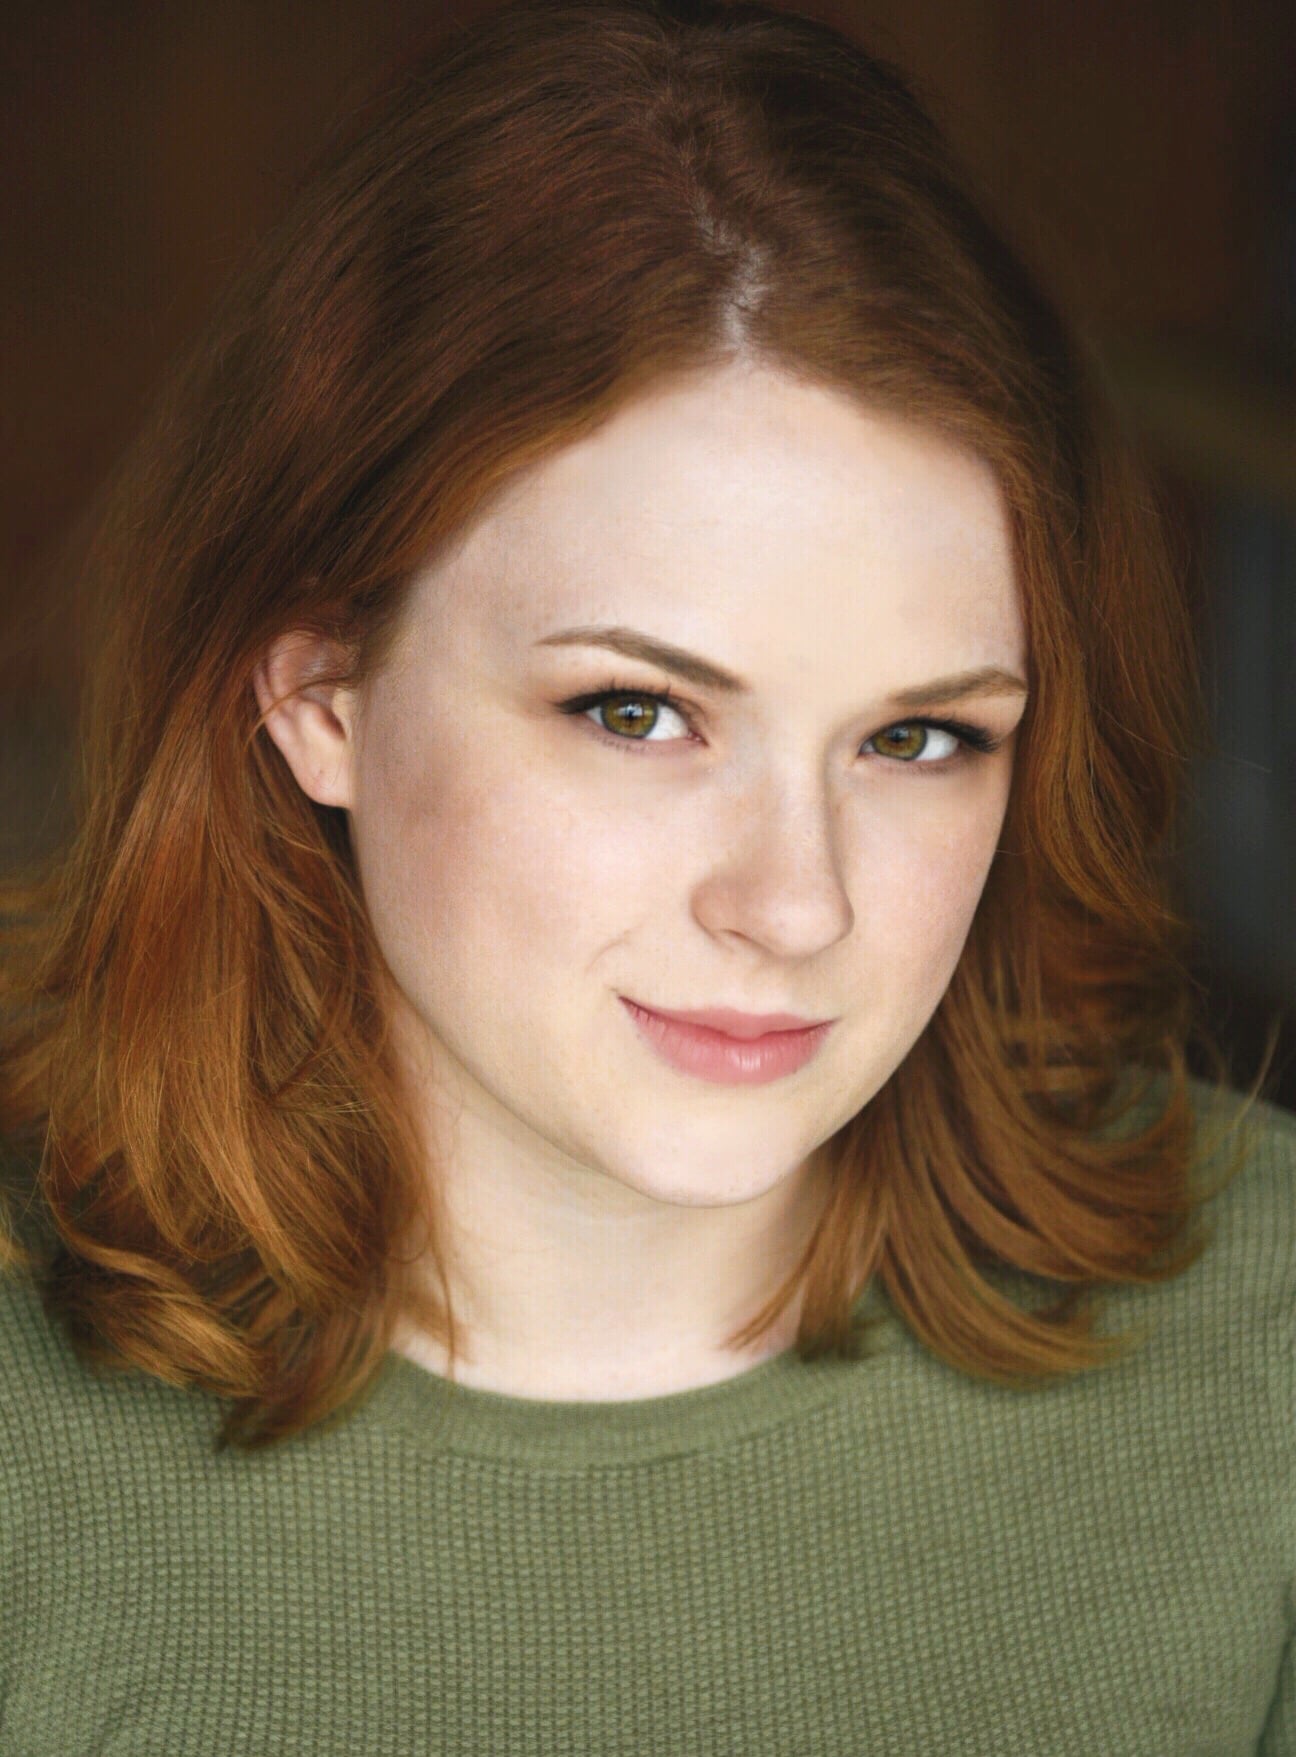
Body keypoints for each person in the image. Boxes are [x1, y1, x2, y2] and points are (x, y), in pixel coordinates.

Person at [0, 1, 1291, 1750]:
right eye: (637, 712)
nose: (797, 902)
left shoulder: (1262, 1348)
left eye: (919, 736)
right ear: (321, 696)